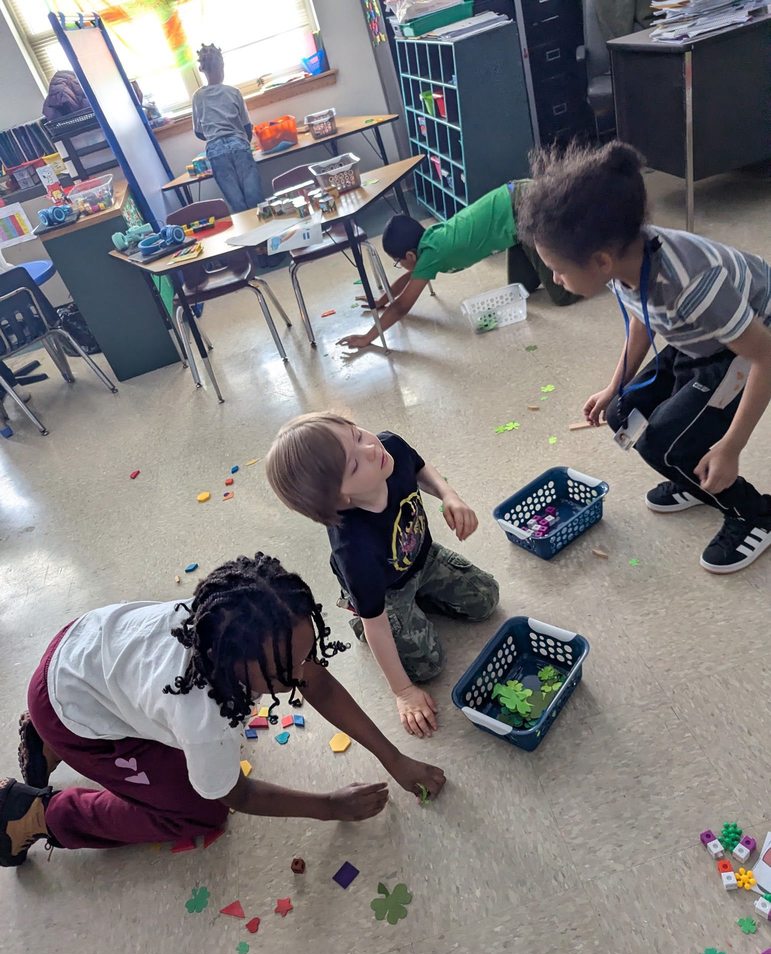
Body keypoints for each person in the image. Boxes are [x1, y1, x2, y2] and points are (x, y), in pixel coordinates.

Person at [0, 552, 446, 867]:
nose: (304, 670)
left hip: (81, 651)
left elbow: (319, 682)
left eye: (307, 652)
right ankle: (37, 814)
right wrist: (329, 806)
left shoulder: (229, 620)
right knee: (200, 812)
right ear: (231, 665)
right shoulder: (204, 718)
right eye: (287, 668)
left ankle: (48, 737)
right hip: (70, 709)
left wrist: (394, 758)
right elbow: (238, 795)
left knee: (198, 762)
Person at [517, 141, 771, 574]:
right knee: (623, 415)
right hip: (700, 338)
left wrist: (731, 447)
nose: (555, 279)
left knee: (666, 445)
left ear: (600, 261)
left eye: (557, 270)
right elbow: (641, 318)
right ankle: (693, 477)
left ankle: (755, 514)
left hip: (746, 344)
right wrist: (614, 386)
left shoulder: (693, 285)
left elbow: (765, 356)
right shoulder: (625, 256)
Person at [266, 413, 499, 737]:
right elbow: (376, 625)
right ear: (341, 498)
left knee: (487, 598)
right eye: (354, 464)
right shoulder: (354, 550)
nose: (370, 448)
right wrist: (403, 692)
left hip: (422, 557)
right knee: (428, 665)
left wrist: (450, 496)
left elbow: (419, 467)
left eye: (357, 434)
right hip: (387, 593)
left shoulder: (389, 448)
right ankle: (360, 613)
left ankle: (418, 601)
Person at [337, 180, 578, 350]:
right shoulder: (429, 241)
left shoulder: (432, 254)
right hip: (514, 210)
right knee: (520, 286)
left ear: (410, 255)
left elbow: (401, 307)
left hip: (524, 207)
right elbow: (411, 278)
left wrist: (368, 337)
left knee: (561, 296)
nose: (401, 266)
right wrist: (382, 299)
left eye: (398, 262)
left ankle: (585, 265)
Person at [192, 44, 263, 213]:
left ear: (202, 70)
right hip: (238, 143)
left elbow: (199, 132)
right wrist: (242, 140)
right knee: (254, 196)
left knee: (236, 201)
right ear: (222, 66)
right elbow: (247, 126)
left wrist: (216, 137)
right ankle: (263, 225)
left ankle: (247, 227)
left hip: (215, 150)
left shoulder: (198, 96)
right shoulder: (233, 92)